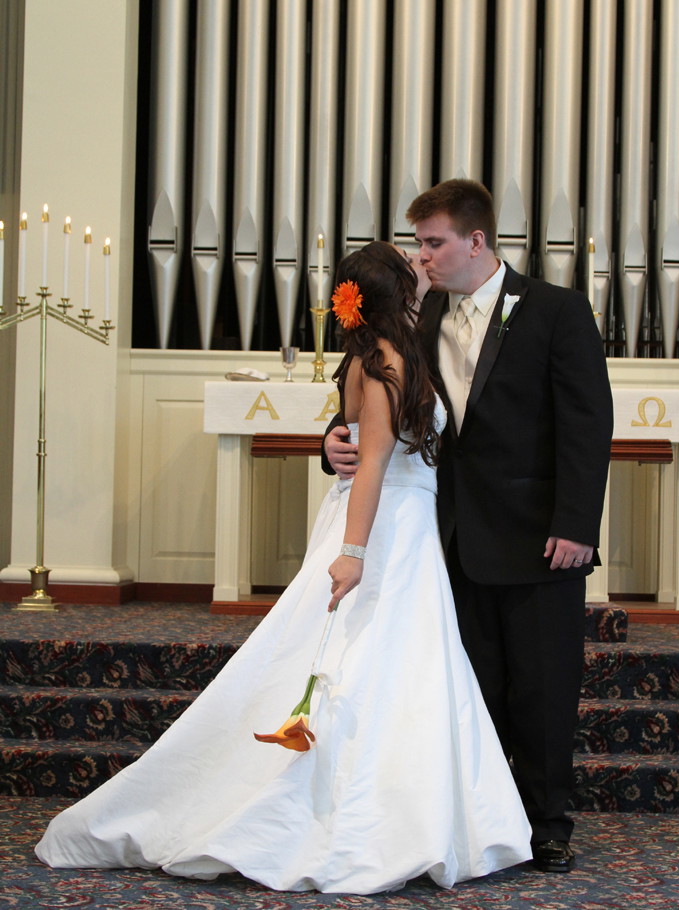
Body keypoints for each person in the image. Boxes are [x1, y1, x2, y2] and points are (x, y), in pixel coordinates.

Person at [36, 241, 532, 895]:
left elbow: (373, 445)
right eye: (413, 264)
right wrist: (352, 554)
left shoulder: (390, 350)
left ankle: (411, 814)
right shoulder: (382, 361)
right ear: (393, 294)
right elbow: (375, 465)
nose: (424, 265)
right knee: (356, 662)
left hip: (407, 529)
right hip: (380, 530)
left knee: (402, 666)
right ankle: (347, 817)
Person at [325, 182, 614, 873]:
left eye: (434, 243)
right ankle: (485, 817)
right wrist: (333, 441)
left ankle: (548, 825)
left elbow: (587, 424)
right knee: (469, 690)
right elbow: (371, 405)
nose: (421, 259)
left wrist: (576, 523)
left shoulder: (555, 311)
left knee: (542, 689)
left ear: (476, 241)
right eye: (419, 243)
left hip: (538, 537)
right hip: (444, 538)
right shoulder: (413, 320)